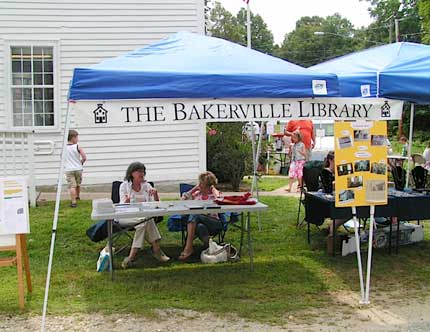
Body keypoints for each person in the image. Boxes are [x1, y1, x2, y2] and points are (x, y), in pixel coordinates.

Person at [120, 162, 170, 269]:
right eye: (139, 171)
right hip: (126, 216)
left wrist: (156, 195)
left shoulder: (147, 186)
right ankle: (157, 250)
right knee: (145, 221)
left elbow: (157, 205)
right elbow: (121, 207)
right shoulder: (124, 186)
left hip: (143, 217)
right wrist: (126, 202)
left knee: (143, 222)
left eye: (143, 171)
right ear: (131, 173)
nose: (141, 173)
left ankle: (131, 257)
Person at [179, 171, 224, 261]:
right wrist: (193, 189)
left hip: (214, 224)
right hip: (198, 224)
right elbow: (182, 200)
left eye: (201, 183)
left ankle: (188, 247)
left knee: (195, 214)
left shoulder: (214, 195)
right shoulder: (197, 194)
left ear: (207, 186)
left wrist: (213, 189)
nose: (198, 184)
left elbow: (219, 199)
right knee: (200, 225)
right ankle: (209, 247)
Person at [64, 129, 86, 208]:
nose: (77, 139)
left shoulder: (64, 148)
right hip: (78, 168)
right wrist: (81, 162)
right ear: (72, 138)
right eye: (76, 137)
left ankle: (73, 202)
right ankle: (77, 196)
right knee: (77, 184)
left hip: (69, 169)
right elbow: (84, 157)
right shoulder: (77, 147)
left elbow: (62, 158)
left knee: (72, 186)